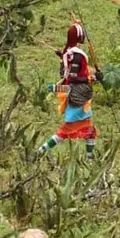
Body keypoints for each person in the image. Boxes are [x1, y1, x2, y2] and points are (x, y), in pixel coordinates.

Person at [41, 21, 98, 157]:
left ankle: (89, 159)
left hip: (78, 97)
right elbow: (73, 77)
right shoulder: (77, 56)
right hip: (77, 96)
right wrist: (93, 77)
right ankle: (40, 151)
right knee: (63, 133)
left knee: (90, 132)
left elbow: (70, 71)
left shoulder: (70, 53)